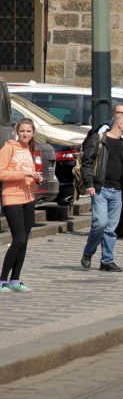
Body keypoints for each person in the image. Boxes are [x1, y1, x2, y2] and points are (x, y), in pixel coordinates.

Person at [80, 111, 123, 273]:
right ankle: (88, 252)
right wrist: (89, 183)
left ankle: (107, 260)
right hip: (100, 189)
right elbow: (87, 162)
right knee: (100, 223)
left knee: (111, 229)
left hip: (117, 191)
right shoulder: (99, 139)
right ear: (120, 124)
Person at [0, 118, 43, 291]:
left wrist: (36, 180)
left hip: (28, 197)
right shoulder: (9, 147)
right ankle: (2, 280)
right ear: (17, 132)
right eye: (22, 131)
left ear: (33, 134)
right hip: (12, 198)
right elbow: (2, 173)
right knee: (18, 239)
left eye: (29, 131)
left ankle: (15, 279)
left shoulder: (29, 150)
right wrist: (23, 173)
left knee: (25, 240)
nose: (25, 134)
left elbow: (28, 179)